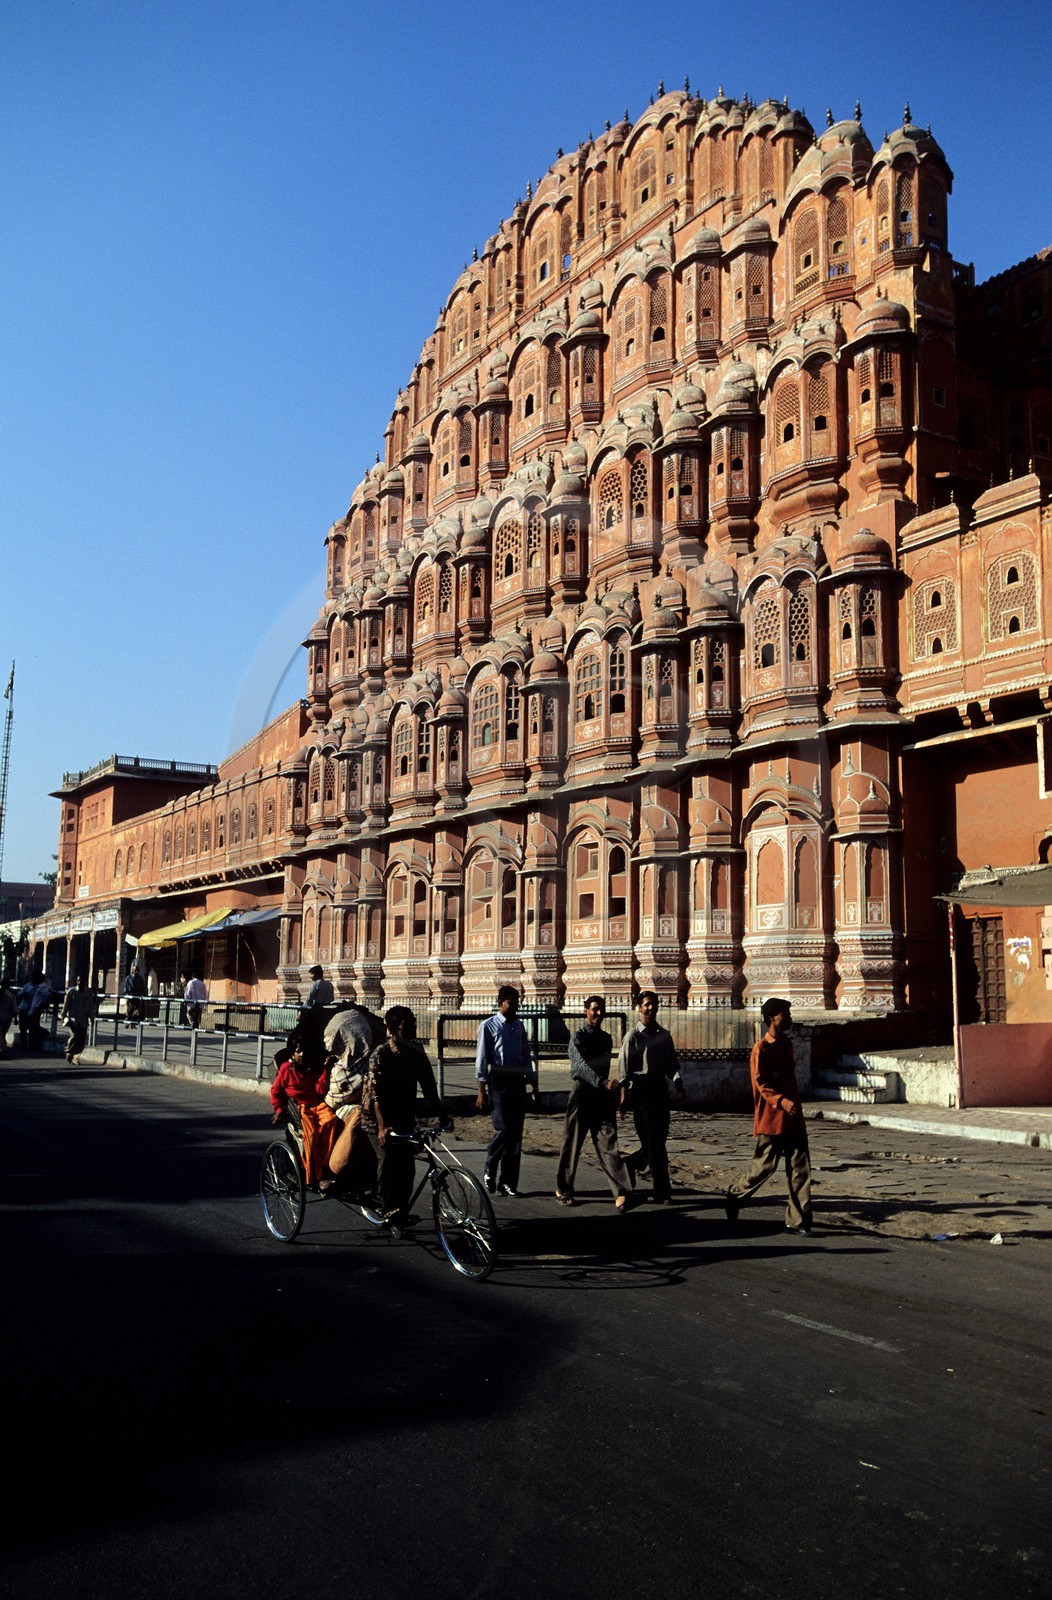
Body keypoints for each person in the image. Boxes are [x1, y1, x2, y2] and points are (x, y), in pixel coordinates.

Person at [724, 997, 813, 1235]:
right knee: (764, 1167)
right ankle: (735, 1196)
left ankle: (798, 1220)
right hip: (772, 1118)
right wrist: (782, 1101)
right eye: (786, 1014)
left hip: (793, 1117)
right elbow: (760, 1083)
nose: (790, 1018)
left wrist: (792, 1105)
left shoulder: (787, 1044)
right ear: (772, 1018)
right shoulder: (761, 1049)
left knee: (800, 1170)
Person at [357, 1006, 443, 1227]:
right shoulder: (381, 1054)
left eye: (414, 1023)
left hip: (404, 1114)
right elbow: (375, 1095)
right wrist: (382, 1127)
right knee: (387, 1157)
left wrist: (442, 1115)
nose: (414, 1028)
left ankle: (400, 1211)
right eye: (408, 1025)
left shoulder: (416, 1051)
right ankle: (387, 1209)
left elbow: (429, 1086)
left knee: (407, 1165)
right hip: (377, 1118)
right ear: (394, 1029)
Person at [555, 996, 632, 1211]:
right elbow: (579, 1066)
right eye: (594, 1010)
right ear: (586, 1011)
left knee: (608, 1142)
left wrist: (610, 1090)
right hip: (582, 1092)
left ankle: (620, 1191)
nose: (598, 1014)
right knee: (572, 1143)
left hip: (602, 1095)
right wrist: (601, 1082)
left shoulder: (606, 1039)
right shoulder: (578, 1037)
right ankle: (563, 1189)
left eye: (601, 1010)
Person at [616, 990, 685, 1205]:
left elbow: (671, 1064)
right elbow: (624, 1072)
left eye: (654, 1004)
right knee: (655, 1144)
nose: (650, 1008)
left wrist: (677, 1081)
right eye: (647, 1004)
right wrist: (623, 1101)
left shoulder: (664, 1035)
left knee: (658, 1141)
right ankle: (662, 1191)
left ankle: (632, 1162)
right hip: (641, 1092)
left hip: (659, 1091)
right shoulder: (632, 1037)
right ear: (639, 1007)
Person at [475, 985, 537, 1198]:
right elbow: (482, 1058)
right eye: (511, 1003)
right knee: (504, 1127)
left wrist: (533, 1082)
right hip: (498, 1080)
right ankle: (490, 1164)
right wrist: (481, 1090)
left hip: (517, 1079)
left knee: (515, 1134)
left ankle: (508, 1182)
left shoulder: (519, 1026)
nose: (514, 1007)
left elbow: (525, 1054)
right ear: (501, 1003)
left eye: (516, 1003)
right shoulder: (488, 1026)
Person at [269, 1031, 341, 1188]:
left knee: (331, 1121)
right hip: (300, 1108)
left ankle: (326, 1164)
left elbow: (319, 1090)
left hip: (317, 1104)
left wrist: (325, 1070)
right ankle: (317, 1176)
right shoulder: (286, 1069)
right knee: (311, 1135)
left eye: (305, 1051)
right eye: (298, 1051)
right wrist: (279, 1110)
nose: (302, 1055)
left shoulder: (313, 1068)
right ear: (292, 1053)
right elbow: (276, 1092)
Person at [61, 976, 94, 1062]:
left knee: (81, 1040)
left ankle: (76, 1057)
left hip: (83, 1019)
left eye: (82, 981)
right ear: (77, 981)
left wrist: (92, 1017)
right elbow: (66, 1005)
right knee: (74, 1036)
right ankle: (69, 1051)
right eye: (78, 980)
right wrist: (63, 1015)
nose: (80, 982)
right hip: (73, 1020)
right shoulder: (72, 992)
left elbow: (91, 1006)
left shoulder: (88, 993)